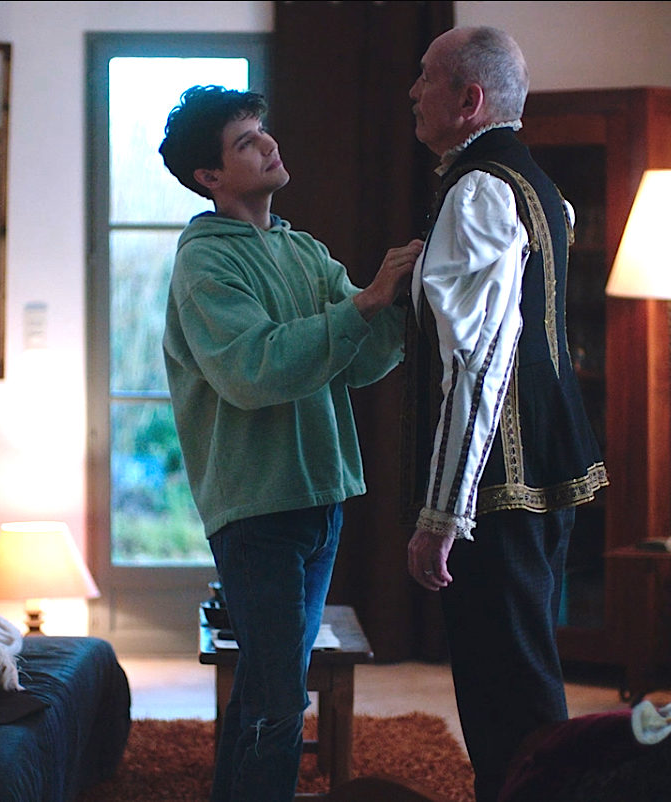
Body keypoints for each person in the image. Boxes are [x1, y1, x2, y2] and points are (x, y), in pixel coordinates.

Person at [159, 84, 421, 802]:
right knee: (278, 703)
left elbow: (359, 361)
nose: (269, 145)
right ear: (209, 176)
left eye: (262, 132)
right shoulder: (204, 265)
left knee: (268, 690)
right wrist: (365, 302)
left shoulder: (303, 250)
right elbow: (255, 370)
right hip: (256, 510)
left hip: (320, 497)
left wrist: (399, 304)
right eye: (246, 142)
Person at [401, 27, 609, 802]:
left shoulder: (479, 191)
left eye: (426, 77)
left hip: (498, 481)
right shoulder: (539, 187)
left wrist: (442, 513)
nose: (412, 92)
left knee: (507, 693)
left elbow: (479, 363)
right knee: (520, 673)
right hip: (546, 465)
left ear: (469, 99)